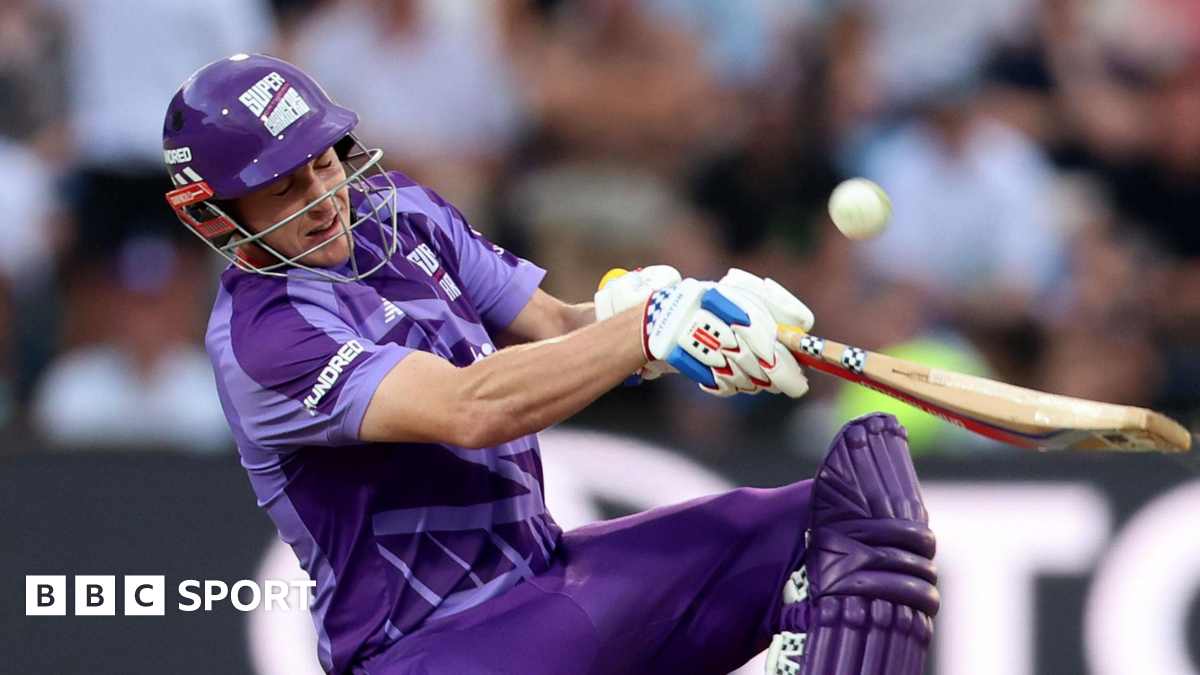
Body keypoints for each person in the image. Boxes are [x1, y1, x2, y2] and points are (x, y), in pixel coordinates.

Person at [162, 54, 939, 675]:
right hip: (429, 645)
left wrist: (678, 316)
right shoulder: (264, 335)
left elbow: (556, 327)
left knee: (854, 513)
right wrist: (643, 330)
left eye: (323, 162)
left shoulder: (405, 212)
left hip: (547, 584)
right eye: (283, 186)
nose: (323, 195)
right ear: (211, 213)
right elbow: (472, 407)